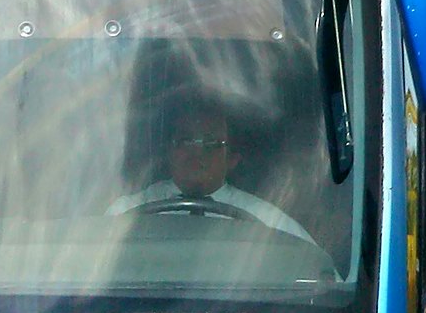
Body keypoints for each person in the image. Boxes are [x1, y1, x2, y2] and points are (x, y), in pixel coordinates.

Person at [109, 98, 313, 241]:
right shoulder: (126, 214)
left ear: (232, 159)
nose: (196, 152)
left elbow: (319, 276)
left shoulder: (266, 221)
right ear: (168, 152)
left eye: (212, 143)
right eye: (185, 140)